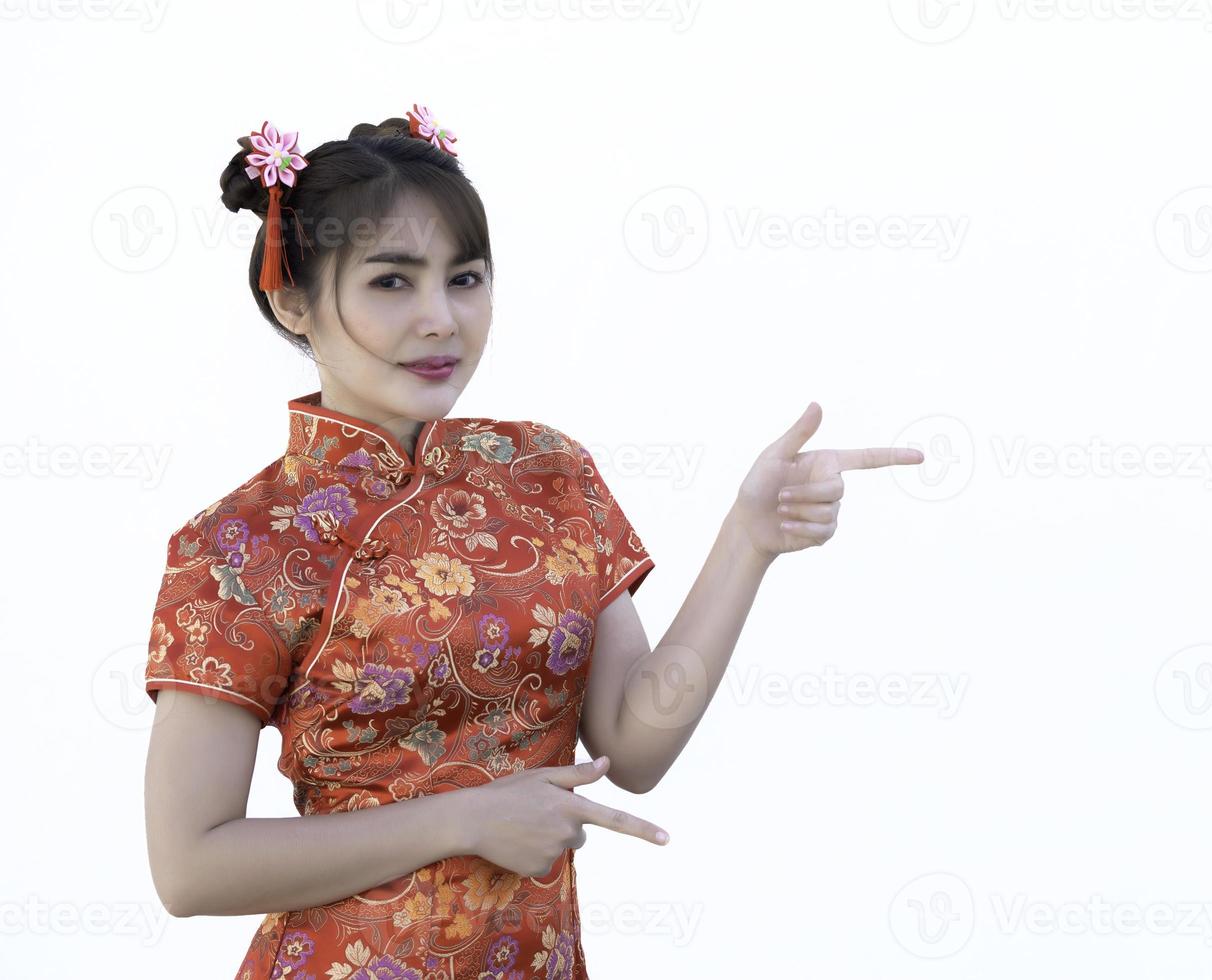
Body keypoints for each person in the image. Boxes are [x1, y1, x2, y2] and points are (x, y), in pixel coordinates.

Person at [141, 107, 924, 979]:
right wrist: (462, 819)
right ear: (293, 302)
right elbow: (188, 866)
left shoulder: (548, 473)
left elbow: (635, 748)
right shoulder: (242, 542)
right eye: (392, 282)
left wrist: (747, 542)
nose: (441, 318)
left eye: (465, 278)